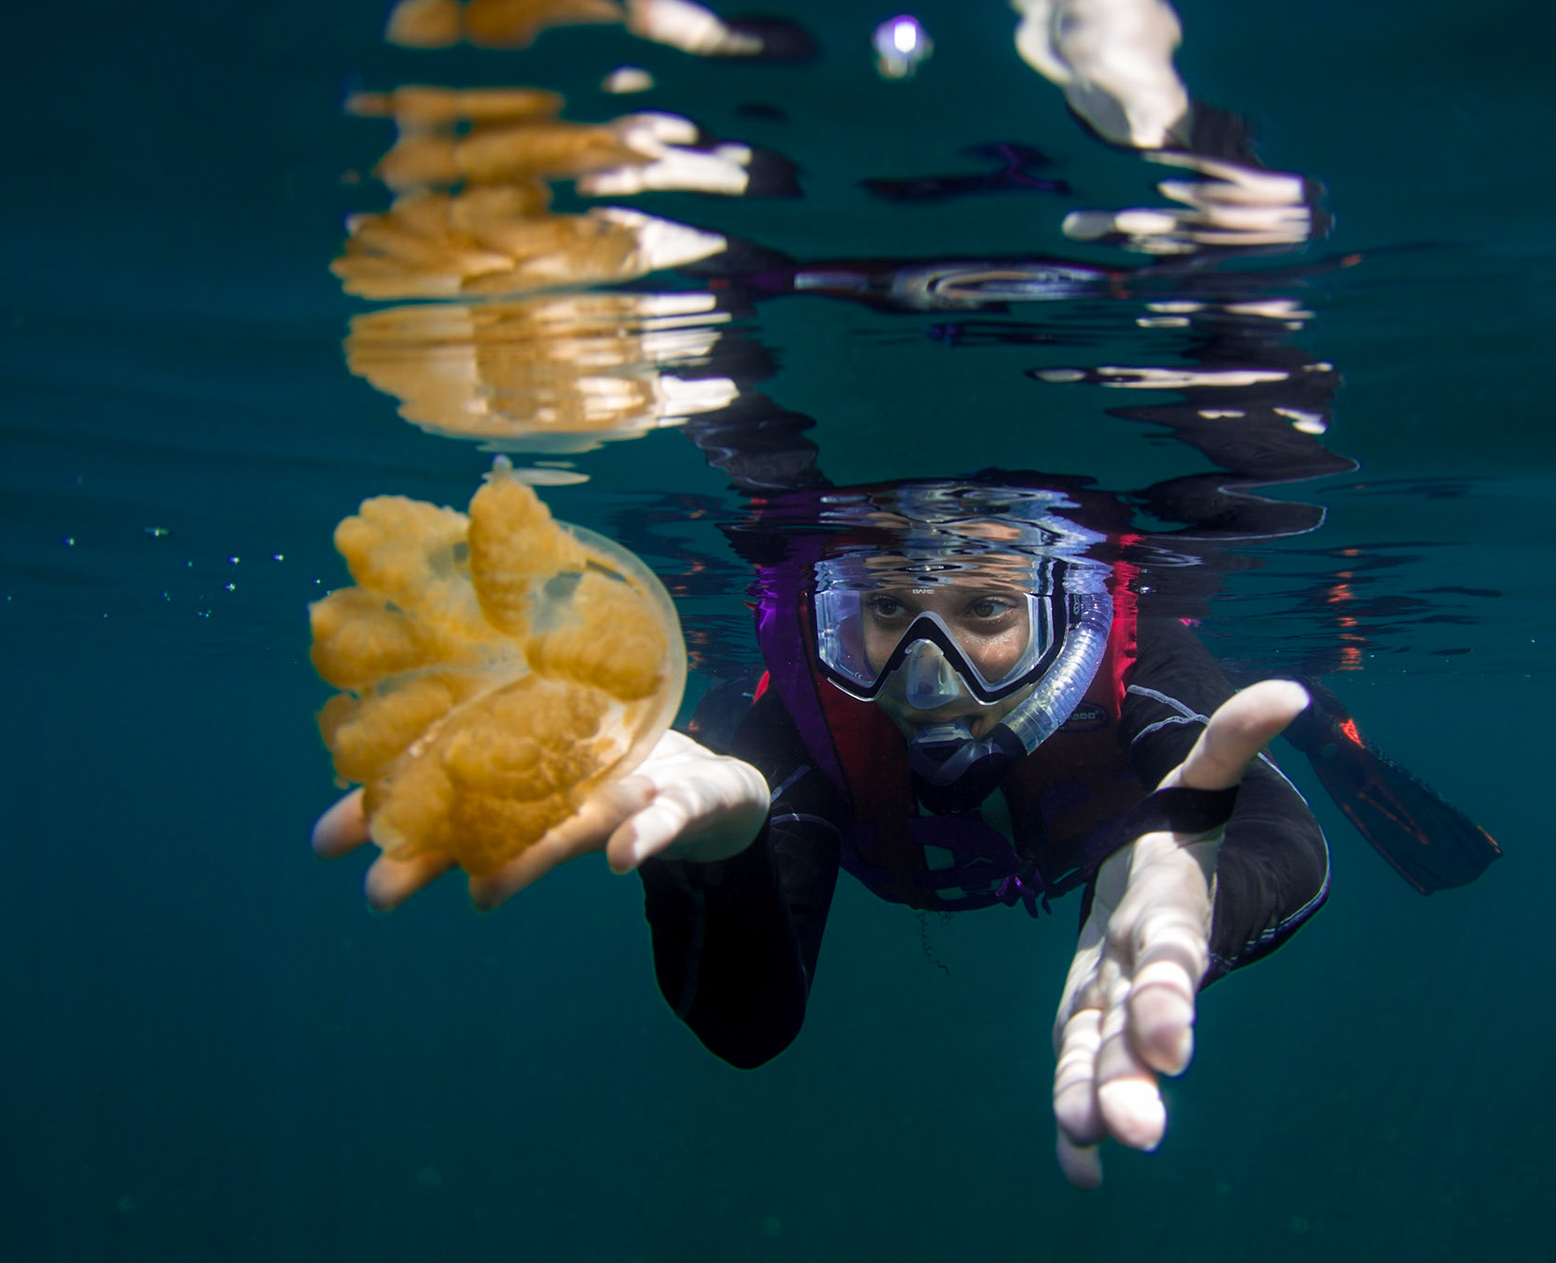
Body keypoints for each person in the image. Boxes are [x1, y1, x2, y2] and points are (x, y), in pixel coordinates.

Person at [314, 479, 1333, 1189]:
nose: (928, 671)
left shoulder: (1141, 670)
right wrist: (714, 862)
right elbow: (749, 1024)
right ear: (839, 614)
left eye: (983, 607)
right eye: (889, 609)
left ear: (1070, 611)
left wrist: (1184, 885)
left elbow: (1278, 837)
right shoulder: (798, 728)